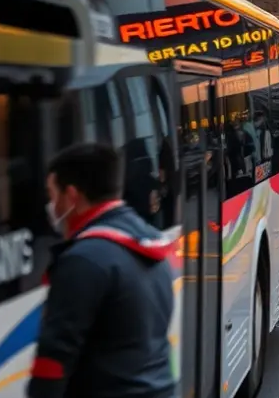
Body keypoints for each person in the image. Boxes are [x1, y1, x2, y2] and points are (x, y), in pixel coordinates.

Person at [29, 142, 176, 398]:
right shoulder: (150, 241)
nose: (50, 206)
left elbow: (52, 363)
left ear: (72, 196)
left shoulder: (84, 261)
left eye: (52, 195)